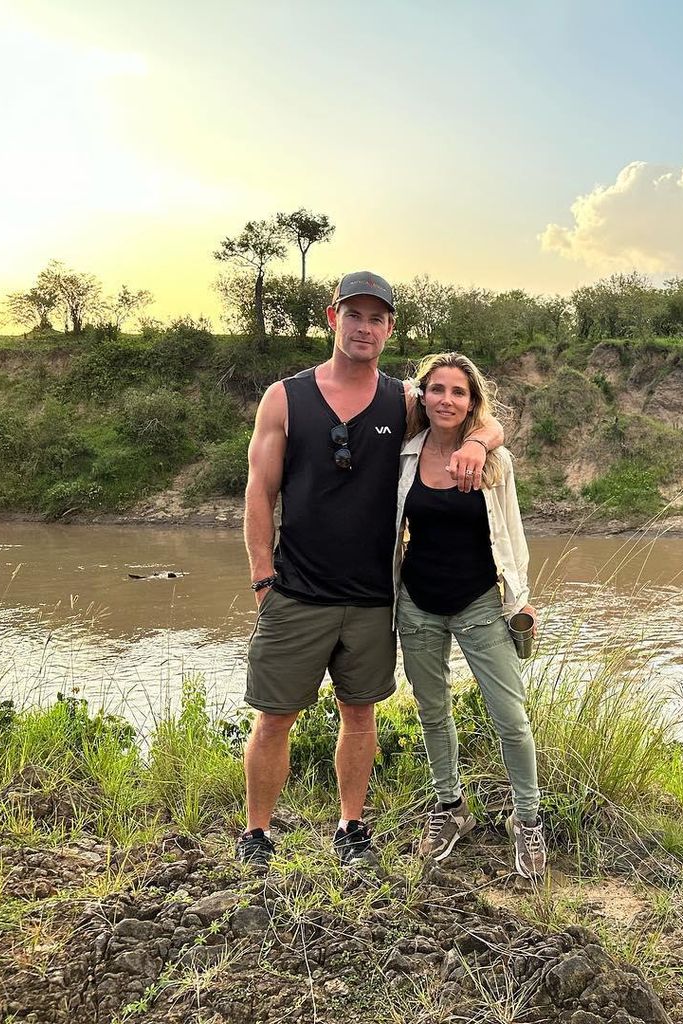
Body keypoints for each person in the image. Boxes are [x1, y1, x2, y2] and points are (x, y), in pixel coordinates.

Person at [238, 273, 503, 869]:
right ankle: (257, 833)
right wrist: (262, 576)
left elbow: (476, 416)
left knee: (360, 715)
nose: (365, 327)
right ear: (333, 319)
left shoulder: (402, 400)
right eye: (353, 315)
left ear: (389, 328)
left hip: (373, 595)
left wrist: (480, 444)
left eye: (377, 318)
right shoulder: (285, 397)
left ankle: (351, 827)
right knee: (274, 715)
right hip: (296, 590)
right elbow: (260, 491)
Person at [395, 352, 546, 880]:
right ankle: (450, 807)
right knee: (432, 711)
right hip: (416, 601)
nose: (447, 400)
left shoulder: (493, 462)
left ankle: (527, 821)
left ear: (472, 402)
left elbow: (512, 534)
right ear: (423, 395)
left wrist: (519, 597)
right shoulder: (405, 455)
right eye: (437, 389)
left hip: (481, 601)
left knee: (511, 718)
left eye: (458, 392)